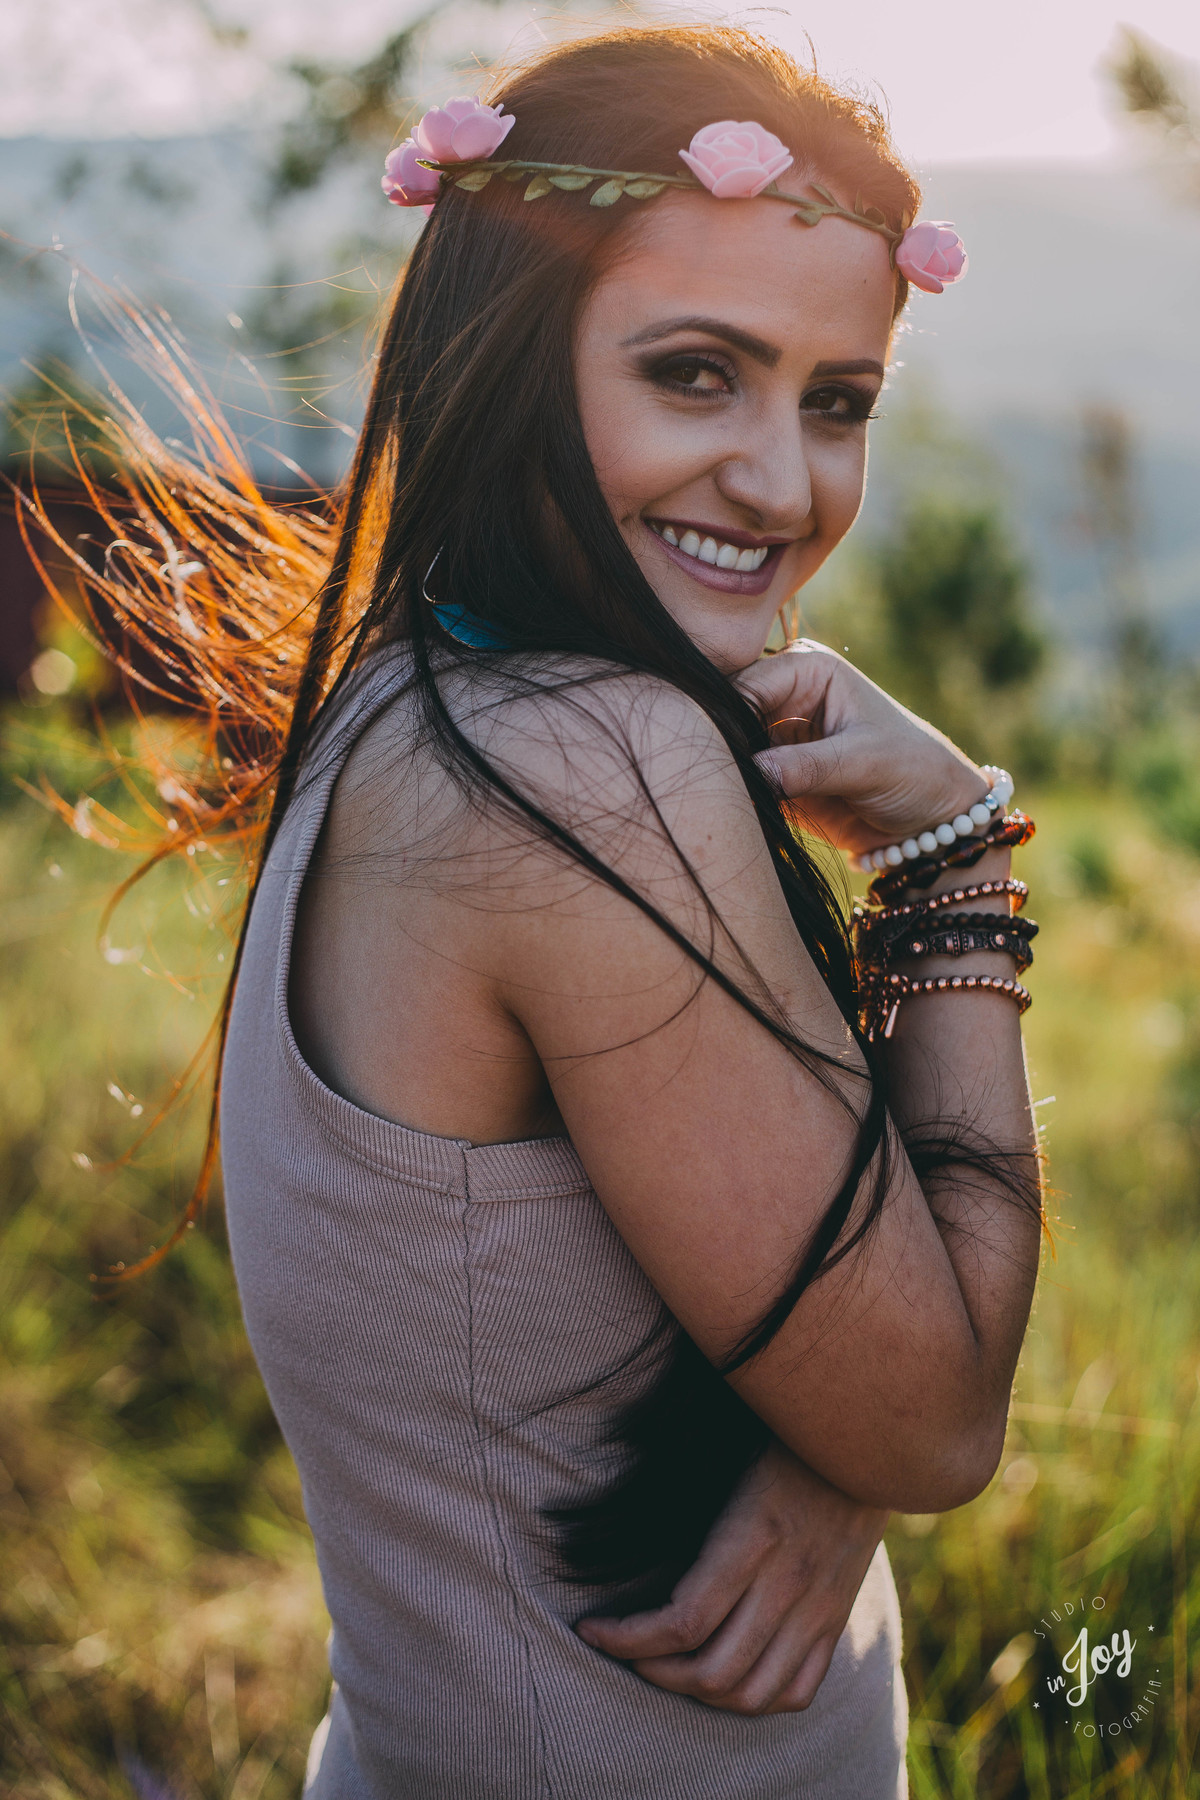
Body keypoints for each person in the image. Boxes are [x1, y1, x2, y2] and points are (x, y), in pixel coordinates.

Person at [58, 22, 1042, 1798]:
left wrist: (816, 1434)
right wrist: (953, 853)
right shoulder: (587, 772)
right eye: (692, 374)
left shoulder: (408, 688)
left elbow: (642, 1316)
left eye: (837, 401)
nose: (781, 480)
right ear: (512, 358)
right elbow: (939, 1407)